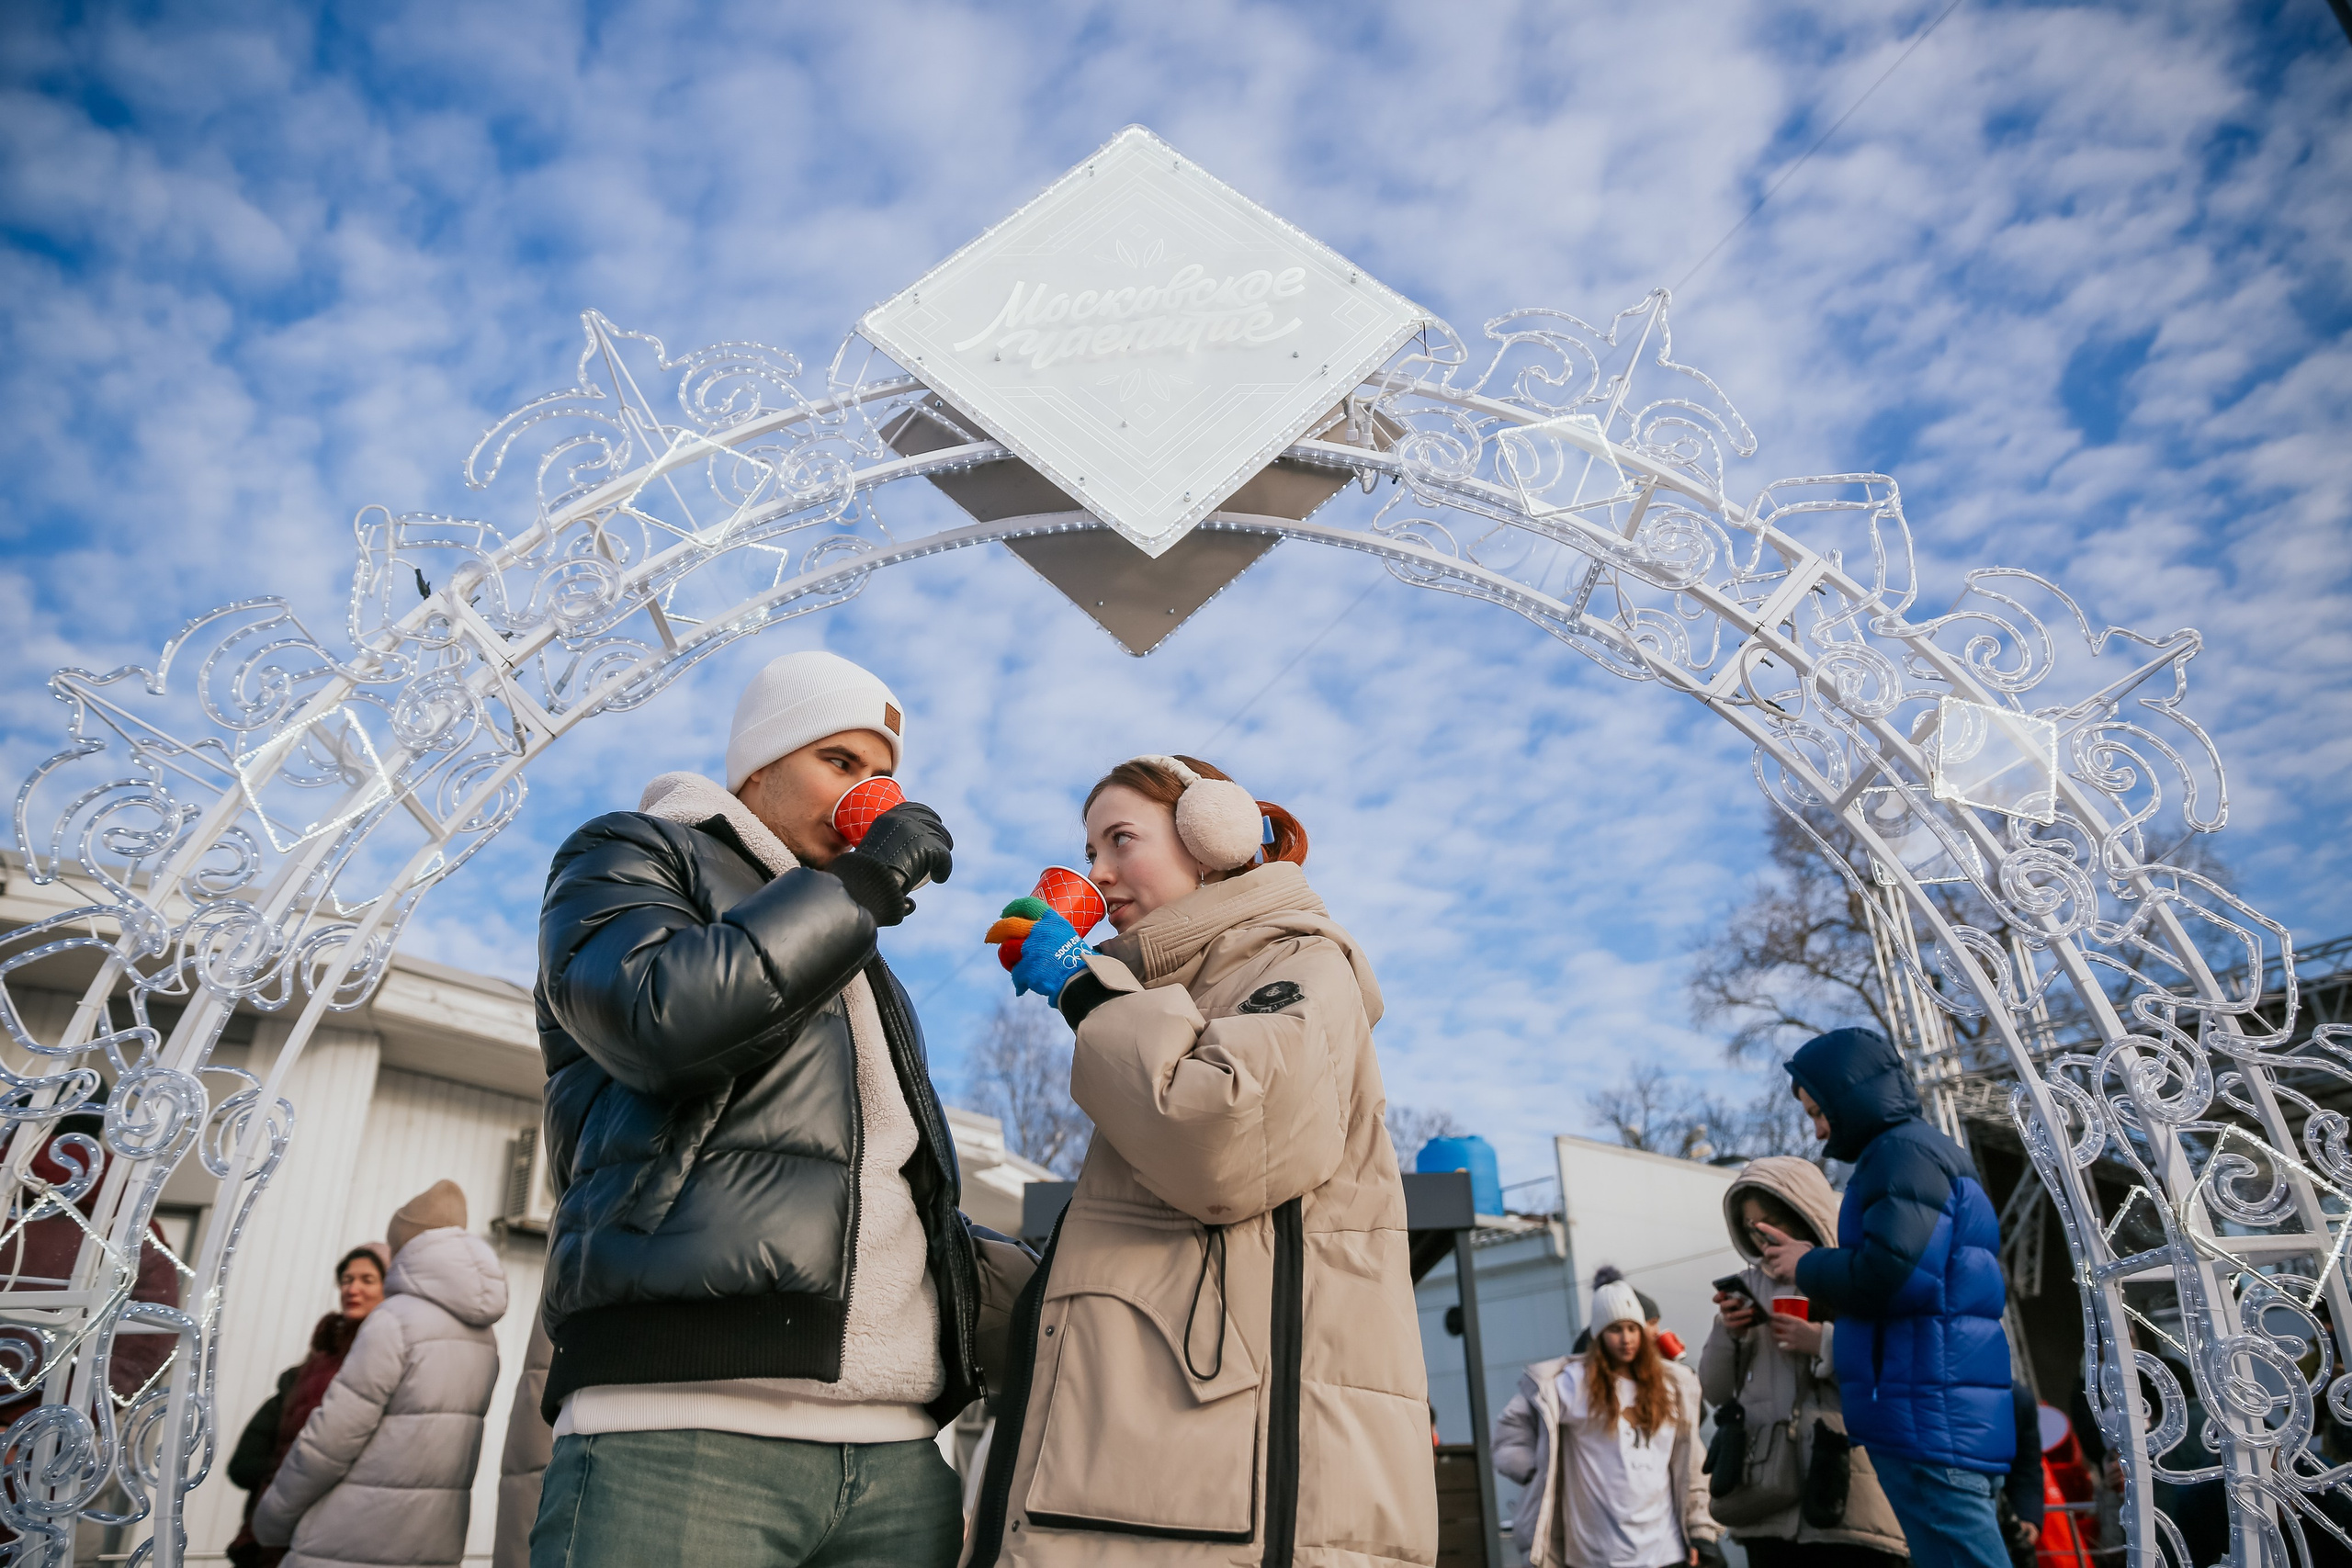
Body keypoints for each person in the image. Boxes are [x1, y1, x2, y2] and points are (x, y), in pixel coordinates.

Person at [530, 650, 1035, 1568]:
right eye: (839, 764)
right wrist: (866, 886)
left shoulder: (851, 949)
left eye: (883, 778)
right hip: (682, 1432)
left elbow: (868, 1182)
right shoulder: (634, 853)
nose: (867, 795)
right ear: (757, 766)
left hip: (892, 1459)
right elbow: (664, 1020)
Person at [964, 754, 1435, 1565]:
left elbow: (1218, 1137)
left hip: (1235, 1519)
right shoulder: (1172, 1002)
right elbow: (1138, 1283)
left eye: (1120, 840)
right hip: (1171, 1503)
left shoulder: (1301, 964)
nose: (1098, 873)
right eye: (1088, 853)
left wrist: (1085, 992)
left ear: (1212, 838)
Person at [1754, 1027, 2014, 1568]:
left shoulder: (1900, 1155)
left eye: (1818, 1111)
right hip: (1940, 1413)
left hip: (1927, 1419)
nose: (1820, 1129)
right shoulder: (1916, 1153)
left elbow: (1891, 1276)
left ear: (1849, 1096)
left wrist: (1806, 1263)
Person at [253, 1180, 509, 1568]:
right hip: (432, 1543)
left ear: (404, 1247)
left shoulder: (393, 1321)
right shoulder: (482, 1334)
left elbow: (332, 1439)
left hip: (348, 1541)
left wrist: (272, 1519)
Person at [1699, 1157, 1906, 1567]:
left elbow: (1897, 1365)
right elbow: (1715, 1391)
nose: (1761, 1234)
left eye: (1772, 1220)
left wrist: (1823, 1343)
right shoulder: (1746, 1289)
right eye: (1751, 1224)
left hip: (1846, 1489)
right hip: (1766, 1497)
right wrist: (1730, 1333)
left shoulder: (1852, 1272)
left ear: (1803, 1214)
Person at [1493, 1275, 1717, 1567]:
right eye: (1615, 1329)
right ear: (1598, 1335)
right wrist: (1538, 1470)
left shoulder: (1672, 1383)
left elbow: (1691, 1464)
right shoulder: (1571, 1383)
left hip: (1664, 1546)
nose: (1626, 1338)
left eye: (1632, 1328)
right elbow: (1510, 1428)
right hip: (1596, 1550)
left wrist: (1700, 1531)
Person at [225, 1242, 390, 1568]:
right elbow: (246, 1461)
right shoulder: (308, 1369)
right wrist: (277, 1484)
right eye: (346, 1279)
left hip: (335, 1531)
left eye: (367, 1280)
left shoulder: (381, 1362)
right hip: (277, 1528)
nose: (353, 1288)